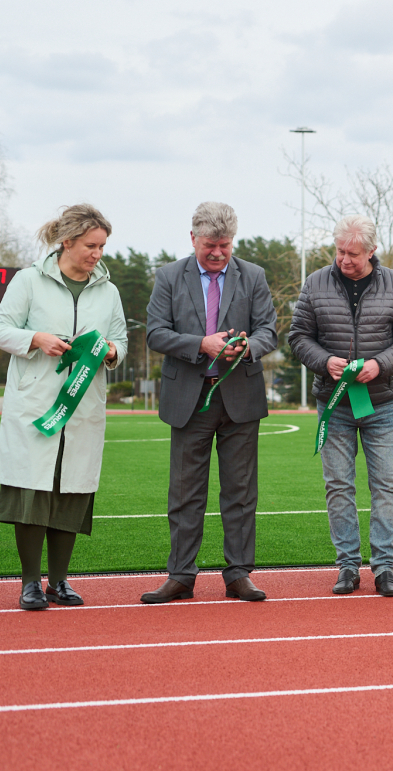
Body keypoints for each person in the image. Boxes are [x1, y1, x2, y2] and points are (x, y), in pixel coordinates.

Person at [0, 204, 127, 610]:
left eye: (102, 246)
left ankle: (60, 582)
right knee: (33, 494)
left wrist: (110, 351)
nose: (97, 254)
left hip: (83, 408)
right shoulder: (28, 280)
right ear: (67, 241)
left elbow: (121, 340)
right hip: (36, 408)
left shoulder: (109, 290)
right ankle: (30, 583)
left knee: (72, 491)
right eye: (90, 245)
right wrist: (36, 339)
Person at [140, 202, 277, 603]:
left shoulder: (253, 276)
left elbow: (269, 329)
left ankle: (238, 574)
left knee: (240, 492)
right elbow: (155, 333)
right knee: (185, 494)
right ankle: (181, 575)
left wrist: (248, 347)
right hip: (189, 399)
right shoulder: (168, 276)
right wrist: (201, 344)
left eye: (225, 245)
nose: (217, 253)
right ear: (193, 238)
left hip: (240, 399)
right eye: (209, 245)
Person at [289, 215, 393, 597]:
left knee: (386, 486)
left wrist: (380, 364)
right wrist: (323, 361)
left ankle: (384, 567)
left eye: (353, 253)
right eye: (339, 251)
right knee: (338, 487)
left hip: (381, 404)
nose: (344, 259)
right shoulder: (315, 282)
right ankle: (347, 566)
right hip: (333, 405)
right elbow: (298, 336)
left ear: (372, 251)